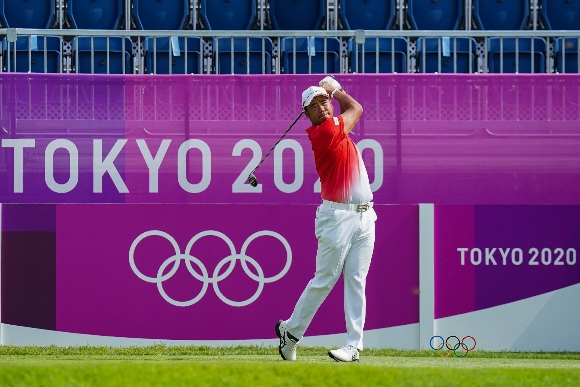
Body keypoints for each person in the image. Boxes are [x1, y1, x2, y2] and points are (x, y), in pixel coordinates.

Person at [275, 76, 377, 362]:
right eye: (315, 105)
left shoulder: (339, 131)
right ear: (306, 114)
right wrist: (337, 90)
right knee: (325, 279)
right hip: (337, 218)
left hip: (365, 216)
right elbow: (356, 108)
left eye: (325, 102)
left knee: (357, 280)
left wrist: (333, 93)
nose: (322, 108)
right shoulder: (323, 133)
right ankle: (291, 333)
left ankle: (353, 346)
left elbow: (350, 113)